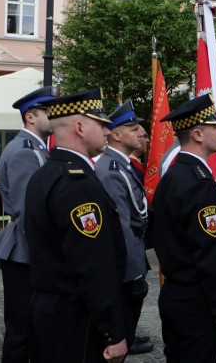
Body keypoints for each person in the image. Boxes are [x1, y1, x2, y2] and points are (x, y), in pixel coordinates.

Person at [24, 89, 128, 363]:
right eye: (102, 124)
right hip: (76, 318)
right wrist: (112, 332)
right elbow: (93, 264)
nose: (108, 131)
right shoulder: (77, 183)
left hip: (52, 310)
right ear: (80, 127)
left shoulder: (46, 173)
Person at [152, 94, 216, 362]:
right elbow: (212, 260)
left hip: (176, 295)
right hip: (200, 306)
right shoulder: (199, 185)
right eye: (215, 126)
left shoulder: (173, 177)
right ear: (198, 134)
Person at [0, 86, 55, 363]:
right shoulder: (24, 151)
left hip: (29, 251)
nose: (55, 117)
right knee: (22, 331)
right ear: (31, 116)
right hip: (25, 253)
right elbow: (29, 212)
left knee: (35, 329)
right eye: (49, 112)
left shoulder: (37, 148)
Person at [95, 100, 153, 356]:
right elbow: (122, 228)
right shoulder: (111, 170)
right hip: (125, 271)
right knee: (118, 341)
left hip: (133, 258)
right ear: (116, 135)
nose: (142, 132)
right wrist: (135, 273)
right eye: (133, 128)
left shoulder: (123, 166)